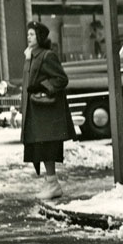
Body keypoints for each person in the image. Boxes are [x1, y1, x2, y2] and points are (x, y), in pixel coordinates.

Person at [21, 22, 77, 199]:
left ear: (39, 37)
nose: (28, 37)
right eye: (28, 34)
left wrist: (43, 87)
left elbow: (61, 79)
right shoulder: (32, 55)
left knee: (47, 148)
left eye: (31, 34)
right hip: (37, 113)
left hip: (46, 114)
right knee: (39, 148)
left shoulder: (47, 55)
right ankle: (50, 182)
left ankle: (53, 183)